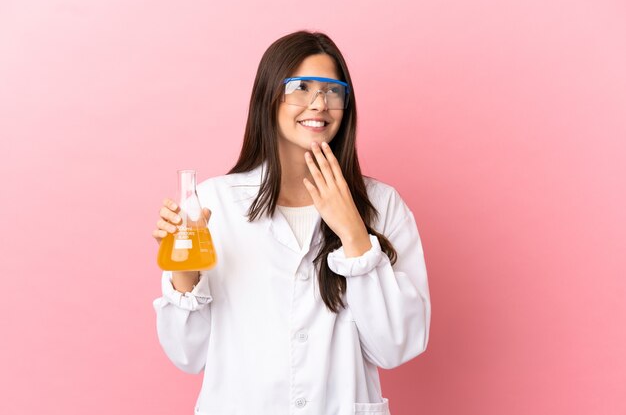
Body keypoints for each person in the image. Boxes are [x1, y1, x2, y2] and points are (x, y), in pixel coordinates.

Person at [152, 30, 431, 415]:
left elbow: (397, 346)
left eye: (333, 91)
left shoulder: (382, 205)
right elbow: (187, 354)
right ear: (269, 98)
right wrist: (184, 274)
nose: (319, 103)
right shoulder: (215, 204)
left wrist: (353, 232)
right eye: (301, 87)